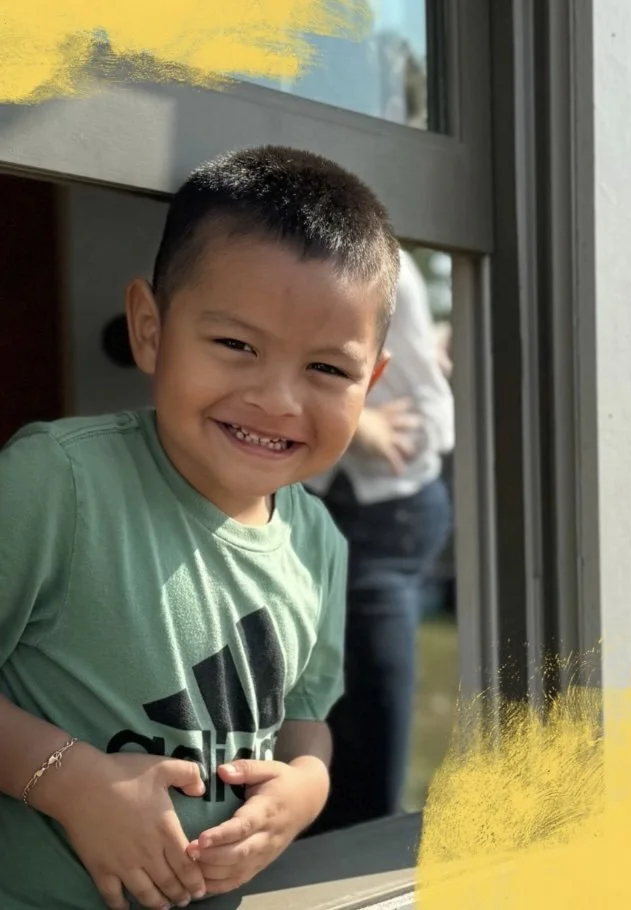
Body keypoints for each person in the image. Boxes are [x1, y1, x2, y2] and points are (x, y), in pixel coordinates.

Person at [0, 145, 401, 910]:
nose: (277, 400)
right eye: (236, 346)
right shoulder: (58, 482)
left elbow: (305, 721)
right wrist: (69, 783)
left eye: (326, 369)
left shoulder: (319, 541)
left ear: (370, 382)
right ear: (150, 329)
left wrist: (305, 789)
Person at [305, 248, 454, 833]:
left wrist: (354, 419)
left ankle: (362, 858)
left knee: (363, 722)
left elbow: (419, 423)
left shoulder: (361, 256)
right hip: (349, 503)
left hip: (380, 508)